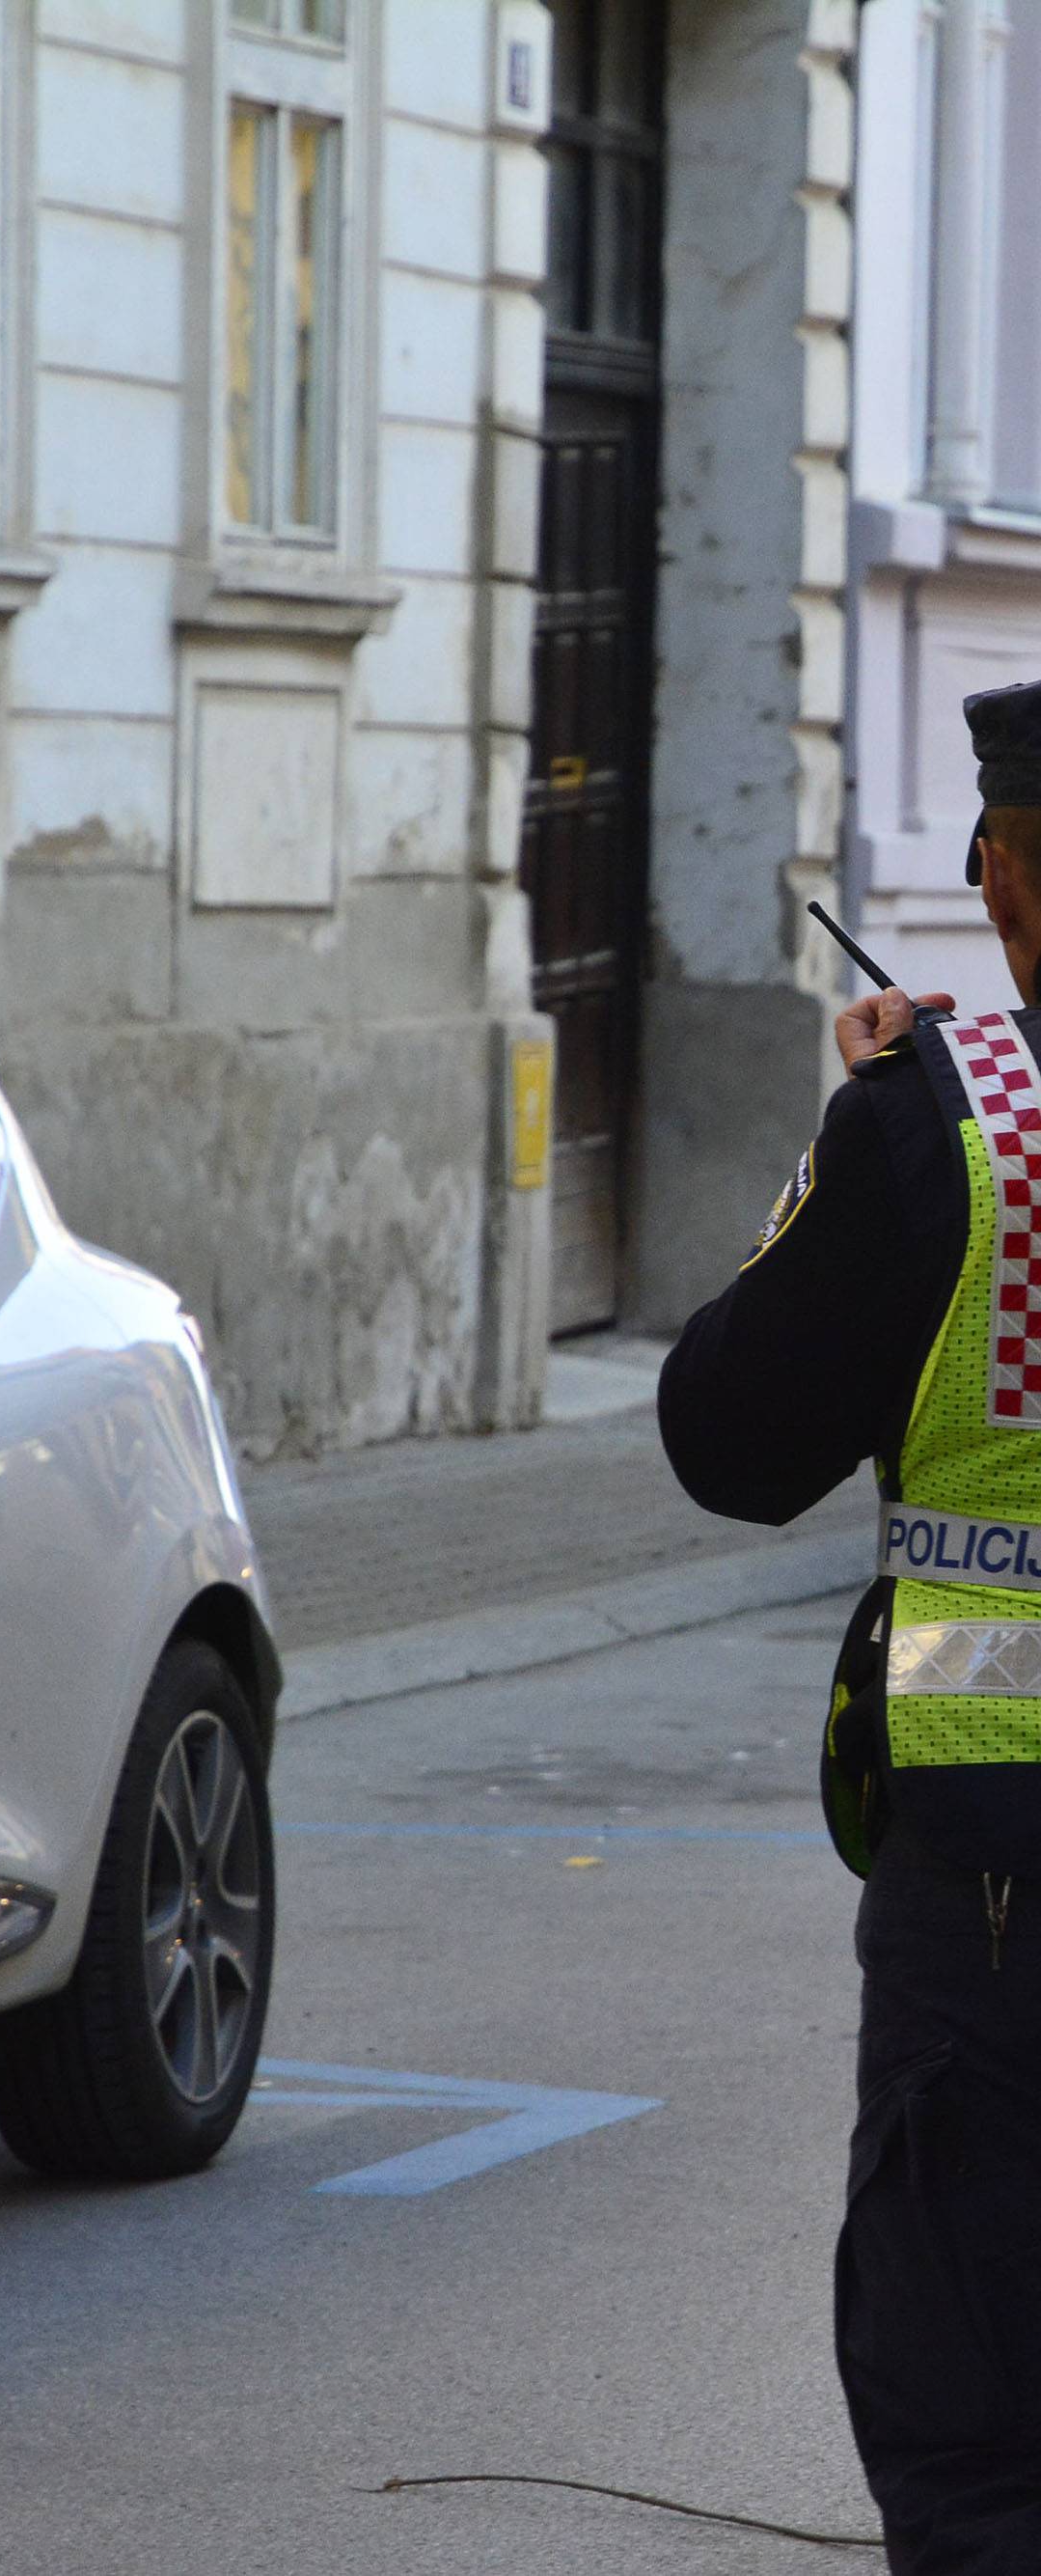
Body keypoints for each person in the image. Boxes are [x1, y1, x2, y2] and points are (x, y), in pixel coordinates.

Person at [660, 678, 1041, 2575]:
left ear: (1000, 880)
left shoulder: (948, 1136)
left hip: (1000, 1888)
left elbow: (725, 1441)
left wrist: (855, 1152)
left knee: (978, 2451)